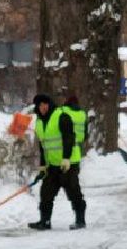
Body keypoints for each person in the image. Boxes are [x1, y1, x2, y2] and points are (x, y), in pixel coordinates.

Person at [29, 93, 86, 231]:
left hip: (69, 163)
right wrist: (43, 166)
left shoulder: (61, 116)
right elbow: (43, 146)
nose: (43, 107)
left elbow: (69, 138)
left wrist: (66, 158)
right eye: (40, 105)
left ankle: (80, 220)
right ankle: (45, 221)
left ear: (49, 104)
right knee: (46, 192)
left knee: (73, 191)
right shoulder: (39, 123)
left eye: (45, 104)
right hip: (53, 165)